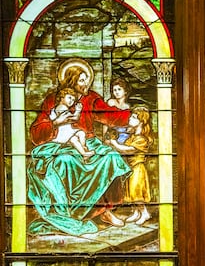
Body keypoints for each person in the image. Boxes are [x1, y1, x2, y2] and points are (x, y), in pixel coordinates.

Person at [27, 58, 132, 235]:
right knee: (64, 162)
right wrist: (55, 123)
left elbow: (109, 115)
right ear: (71, 80)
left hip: (89, 142)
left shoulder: (90, 98)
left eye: (87, 80)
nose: (86, 84)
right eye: (82, 80)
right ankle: (71, 213)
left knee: (111, 157)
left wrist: (131, 116)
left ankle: (105, 211)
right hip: (62, 144)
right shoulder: (53, 100)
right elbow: (37, 131)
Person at [106, 106, 153, 226]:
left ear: (141, 121)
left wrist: (114, 143)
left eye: (133, 117)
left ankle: (144, 212)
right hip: (130, 168)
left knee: (136, 193)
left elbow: (127, 150)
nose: (130, 118)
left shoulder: (142, 139)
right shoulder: (132, 136)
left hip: (137, 168)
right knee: (130, 192)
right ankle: (136, 213)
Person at [49, 87, 95, 159]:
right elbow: (73, 119)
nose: (71, 101)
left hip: (68, 130)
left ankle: (83, 147)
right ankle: (84, 154)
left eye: (73, 100)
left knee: (81, 133)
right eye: (69, 98)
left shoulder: (64, 107)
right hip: (61, 133)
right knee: (74, 139)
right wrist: (78, 111)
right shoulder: (61, 107)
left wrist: (77, 111)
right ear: (62, 97)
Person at [104, 77, 132, 144]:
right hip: (112, 133)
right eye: (114, 90)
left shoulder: (128, 107)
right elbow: (105, 121)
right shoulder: (111, 102)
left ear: (125, 91)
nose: (116, 92)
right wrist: (105, 137)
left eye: (119, 89)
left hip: (124, 134)